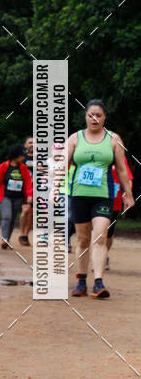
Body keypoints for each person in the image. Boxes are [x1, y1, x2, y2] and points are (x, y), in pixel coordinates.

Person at [68, 100, 134, 298]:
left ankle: (98, 282)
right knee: (82, 239)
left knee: (100, 236)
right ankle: (81, 282)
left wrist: (128, 193)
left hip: (103, 196)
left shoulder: (114, 139)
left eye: (99, 115)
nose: (94, 118)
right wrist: (54, 190)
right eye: (91, 115)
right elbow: (62, 166)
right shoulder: (75, 138)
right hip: (79, 195)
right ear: (85, 117)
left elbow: (122, 169)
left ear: (104, 117)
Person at [0, 145, 33, 249]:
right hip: (4, 197)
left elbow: (28, 182)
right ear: (15, 156)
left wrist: (29, 195)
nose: (23, 158)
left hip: (18, 197)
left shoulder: (23, 168)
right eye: (22, 155)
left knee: (12, 219)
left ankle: (7, 239)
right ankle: (4, 238)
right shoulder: (4, 166)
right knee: (7, 216)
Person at [106, 156, 133, 270]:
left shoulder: (119, 157)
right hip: (94, 198)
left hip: (114, 200)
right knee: (97, 230)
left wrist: (127, 194)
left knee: (108, 232)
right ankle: (97, 255)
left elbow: (128, 178)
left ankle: (104, 254)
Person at [18, 136, 34, 246]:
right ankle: (21, 233)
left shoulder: (43, 158)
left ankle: (25, 235)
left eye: (34, 143)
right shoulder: (21, 158)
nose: (32, 144)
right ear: (25, 145)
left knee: (32, 214)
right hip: (23, 189)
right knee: (25, 211)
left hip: (37, 189)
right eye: (30, 142)